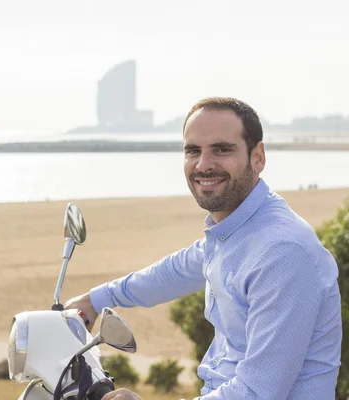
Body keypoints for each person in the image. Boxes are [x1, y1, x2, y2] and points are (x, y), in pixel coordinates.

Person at [65, 97, 342, 399]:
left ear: (258, 157)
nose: (204, 164)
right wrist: (98, 298)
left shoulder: (283, 252)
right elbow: (179, 269)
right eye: (193, 151)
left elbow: (259, 391)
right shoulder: (238, 229)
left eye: (222, 149)